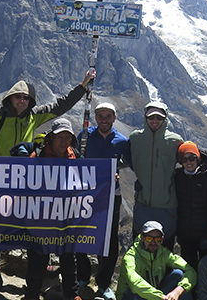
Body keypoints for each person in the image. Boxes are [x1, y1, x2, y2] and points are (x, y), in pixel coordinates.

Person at [76, 102, 130, 300]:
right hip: (85, 195)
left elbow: (128, 161)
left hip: (110, 196)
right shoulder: (84, 136)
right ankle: (82, 277)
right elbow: (73, 156)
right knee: (80, 233)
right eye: (101, 116)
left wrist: (116, 170)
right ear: (96, 117)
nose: (104, 119)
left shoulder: (122, 141)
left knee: (109, 238)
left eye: (108, 116)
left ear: (114, 118)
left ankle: (104, 283)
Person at [26, 118, 80, 300]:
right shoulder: (38, 156)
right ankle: (32, 294)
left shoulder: (77, 157)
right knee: (37, 257)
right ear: (51, 137)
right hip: (41, 216)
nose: (63, 141)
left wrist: (110, 177)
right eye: (60, 136)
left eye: (68, 137)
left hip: (66, 216)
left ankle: (72, 295)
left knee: (68, 257)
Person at [0, 69, 94, 156]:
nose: (22, 101)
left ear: (30, 100)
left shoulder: (34, 115)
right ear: (10, 98)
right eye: (18, 97)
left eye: (26, 98)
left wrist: (83, 86)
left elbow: (61, 106)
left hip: (24, 169)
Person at [128, 102, 184, 250]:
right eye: (151, 117)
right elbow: (125, 159)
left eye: (159, 118)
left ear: (165, 119)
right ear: (145, 118)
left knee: (165, 250)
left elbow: (188, 159)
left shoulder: (175, 141)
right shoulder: (136, 139)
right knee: (140, 249)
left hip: (167, 207)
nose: (154, 121)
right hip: (143, 205)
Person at [173, 141, 207, 270]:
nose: (189, 162)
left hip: (204, 234)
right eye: (184, 159)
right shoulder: (178, 176)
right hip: (185, 235)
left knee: (206, 269)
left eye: (192, 158)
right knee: (189, 270)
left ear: (198, 158)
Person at [116, 221, 196, 300]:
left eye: (157, 239)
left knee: (179, 274)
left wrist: (179, 290)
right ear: (142, 238)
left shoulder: (163, 253)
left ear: (162, 239)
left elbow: (190, 271)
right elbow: (135, 284)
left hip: (155, 296)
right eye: (149, 238)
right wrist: (160, 297)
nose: (153, 242)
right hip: (133, 296)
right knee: (133, 290)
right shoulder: (131, 257)